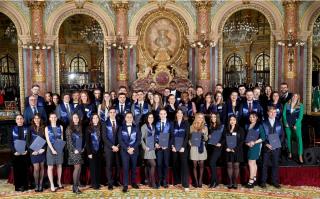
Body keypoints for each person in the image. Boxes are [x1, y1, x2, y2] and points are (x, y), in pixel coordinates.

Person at [261, 107, 284, 189]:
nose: (273, 114)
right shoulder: (263, 123)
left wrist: (277, 144)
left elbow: (282, 135)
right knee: (264, 164)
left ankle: (274, 181)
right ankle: (263, 181)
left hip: (276, 147)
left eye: (274, 112)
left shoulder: (279, 123)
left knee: (275, 164)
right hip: (266, 147)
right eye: (271, 112)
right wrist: (266, 144)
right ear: (268, 113)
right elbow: (261, 135)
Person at [118, 112, 141, 192]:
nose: (129, 118)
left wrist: (132, 148)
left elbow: (138, 140)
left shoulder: (137, 127)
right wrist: (127, 148)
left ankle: (134, 183)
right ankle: (125, 185)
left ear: (132, 118)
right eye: (127, 117)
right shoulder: (121, 127)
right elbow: (120, 140)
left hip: (134, 151)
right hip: (124, 151)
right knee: (125, 168)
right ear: (125, 118)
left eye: (131, 117)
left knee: (134, 168)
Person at [102, 107, 121, 190]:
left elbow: (121, 136)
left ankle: (116, 181)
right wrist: (112, 146)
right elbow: (104, 137)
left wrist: (118, 146)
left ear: (115, 113)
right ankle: (110, 183)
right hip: (108, 148)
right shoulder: (105, 123)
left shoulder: (119, 123)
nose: (113, 113)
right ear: (109, 113)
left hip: (118, 148)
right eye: (111, 112)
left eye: (114, 112)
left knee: (118, 165)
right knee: (109, 166)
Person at [8, 115, 29, 192]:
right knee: (17, 170)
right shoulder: (12, 129)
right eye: (18, 119)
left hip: (25, 153)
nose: (19, 120)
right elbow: (10, 142)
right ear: (16, 120)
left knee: (25, 169)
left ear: (23, 120)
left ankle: (25, 186)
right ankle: (18, 186)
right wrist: (14, 151)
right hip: (15, 153)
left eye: (21, 119)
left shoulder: (27, 129)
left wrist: (26, 150)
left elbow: (28, 140)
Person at [245, 112, 265, 188]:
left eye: (253, 117)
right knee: (253, 163)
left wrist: (254, 142)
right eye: (250, 117)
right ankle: (254, 178)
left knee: (251, 162)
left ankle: (251, 180)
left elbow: (263, 137)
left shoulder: (259, 126)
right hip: (249, 145)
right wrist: (247, 143)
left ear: (256, 117)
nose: (251, 119)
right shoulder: (247, 126)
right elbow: (246, 137)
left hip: (256, 146)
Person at [224, 115, 245, 189]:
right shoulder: (226, 129)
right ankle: (230, 181)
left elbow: (242, 141)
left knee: (236, 166)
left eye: (234, 120)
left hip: (237, 151)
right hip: (228, 150)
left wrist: (235, 149)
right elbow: (223, 140)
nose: (232, 121)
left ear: (236, 121)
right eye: (231, 120)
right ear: (229, 121)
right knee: (229, 166)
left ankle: (235, 181)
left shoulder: (240, 129)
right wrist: (227, 147)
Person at [45, 113, 64, 192]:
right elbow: (48, 140)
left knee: (59, 165)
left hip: (59, 148)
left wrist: (60, 148)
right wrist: (52, 149)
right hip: (50, 149)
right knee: (50, 167)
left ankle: (59, 182)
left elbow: (62, 138)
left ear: (56, 118)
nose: (53, 118)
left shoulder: (61, 127)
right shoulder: (47, 128)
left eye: (54, 117)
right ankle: (52, 184)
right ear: (49, 118)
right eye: (51, 117)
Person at [283, 93, 304, 163]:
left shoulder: (300, 105)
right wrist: (285, 123)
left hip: (296, 125)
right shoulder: (287, 104)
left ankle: (300, 155)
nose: (295, 97)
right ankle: (290, 153)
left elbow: (300, 117)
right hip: (288, 125)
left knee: (299, 139)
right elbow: (284, 115)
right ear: (291, 97)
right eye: (293, 96)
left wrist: (296, 125)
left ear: (298, 98)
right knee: (289, 139)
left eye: (296, 96)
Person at [171, 109, 190, 191]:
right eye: (178, 113)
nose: (179, 114)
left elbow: (187, 136)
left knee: (184, 165)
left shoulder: (186, 123)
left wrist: (183, 147)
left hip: (183, 147)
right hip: (175, 147)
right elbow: (171, 135)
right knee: (175, 164)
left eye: (181, 113)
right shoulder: (173, 123)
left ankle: (185, 184)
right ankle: (177, 181)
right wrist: (172, 146)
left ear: (183, 114)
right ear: (176, 114)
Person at [27, 114, 46, 192]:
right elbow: (28, 141)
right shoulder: (30, 128)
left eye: (38, 118)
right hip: (33, 151)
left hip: (42, 151)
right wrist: (33, 150)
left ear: (40, 119)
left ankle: (41, 185)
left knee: (42, 168)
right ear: (33, 119)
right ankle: (36, 184)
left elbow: (47, 140)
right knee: (36, 168)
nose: (37, 120)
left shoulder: (44, 128)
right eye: (35, 118)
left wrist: (43, 149)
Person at [155, 108, 173, 188]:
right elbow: (154, 134)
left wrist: (168, 145)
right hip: (158, 147)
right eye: (161, 114)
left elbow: (172, 136)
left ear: (166, 114)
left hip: (166, 148)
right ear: (159, 115)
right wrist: (155, 143)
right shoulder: (156, 123)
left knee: (165, 164)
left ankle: (165, 180)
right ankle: (159, 180)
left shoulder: (170, 123)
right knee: (159, 164)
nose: (162, 115)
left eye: (164, 114)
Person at [66, 113, 84, 194]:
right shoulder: (69, 128)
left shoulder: (80, 127)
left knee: (79, 167)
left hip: (80, 151)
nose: (76, 119)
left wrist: (83, 148)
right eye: (74, 117)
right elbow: (69, 141)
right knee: (77, 167)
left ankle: (76, 184)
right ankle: (75, 186)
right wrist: (74, 150)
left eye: (77, 117)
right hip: (73, 151)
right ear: (72, 119)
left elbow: (82, 139)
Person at [189, 113, 208, 188]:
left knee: (201, 165)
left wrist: (204, 134)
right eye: (199, 117)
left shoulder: (205, 127)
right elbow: (189, 138)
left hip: (202, 147)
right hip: (194, 147)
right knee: (194, 165)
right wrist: (190, 143)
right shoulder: (192, 127)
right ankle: (196, 181)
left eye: (202, 118)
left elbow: (206, 139)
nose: (200, 119)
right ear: (196, 118)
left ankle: (200, 181)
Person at [85, 114, 102, 190]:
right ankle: (94, 184)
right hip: (92, 151)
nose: (95, 119)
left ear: (98, 119)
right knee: (93, 168)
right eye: (93, 118)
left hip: (99, 151)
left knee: (98, 167)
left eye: (96, 118)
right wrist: (89, 153)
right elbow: (87, 142)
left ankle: (98, 182)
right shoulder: (88, 128)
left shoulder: (101, 127)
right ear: (91, 119)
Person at [140, 113, 157, 189]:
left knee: (148, 165)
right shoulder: (144, 126)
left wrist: (156, 144)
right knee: (153, 164)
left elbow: (154, 137)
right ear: (147, 118)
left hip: (152, 149)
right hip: (147, 149)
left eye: (152, 117)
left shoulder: (153, 126)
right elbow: (141, 138)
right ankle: (152, 182)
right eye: (149, 117)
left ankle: (149, 181)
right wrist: (144, 147)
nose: (151, 119)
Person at [208, 113, 224, 188]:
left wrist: (220, 143)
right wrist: (209, 136)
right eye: (212, 117)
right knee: (212, 163)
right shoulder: (210, 126)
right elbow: (210, 137)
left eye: (214, 117)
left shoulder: (221, 126)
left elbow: (224, 137)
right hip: (211, 147)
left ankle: (213, 181)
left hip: (218, 147)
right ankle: (216, 181)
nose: (213, 118)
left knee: (212, 162)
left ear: (217, 117)